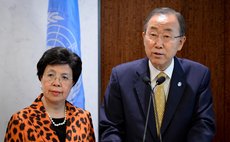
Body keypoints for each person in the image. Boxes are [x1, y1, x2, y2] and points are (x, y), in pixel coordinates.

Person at [99, 7, 216, 142]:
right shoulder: (121, 77)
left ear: (181, 42)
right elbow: (110, 127)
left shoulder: (198, 76)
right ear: (143, 37)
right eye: (153, 35)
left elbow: (203, 126)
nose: (158, 44)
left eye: (166, 36)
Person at [4, 47, 95, 142]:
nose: (56, 83)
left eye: (64, 77)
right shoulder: (21, 120)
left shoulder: (83, 118)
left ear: (73, 83)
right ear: (41, 77)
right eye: (51, 75)